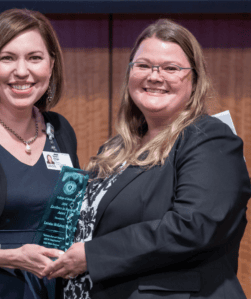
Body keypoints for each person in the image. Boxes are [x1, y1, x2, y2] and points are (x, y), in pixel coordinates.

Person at [48, 19, 251, 299]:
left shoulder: (209, 138)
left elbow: (194, 226)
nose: (155, 76)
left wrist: (93, 255)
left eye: (171, 68)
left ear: (195, 80)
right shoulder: (115, 149)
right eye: (143, 66)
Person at [0, 8, 78, 299]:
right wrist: (10, 257)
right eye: (7, 58)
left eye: (35, 58)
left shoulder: (60, 130)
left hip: (46, 290)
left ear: (51, 65)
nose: (22, 71)